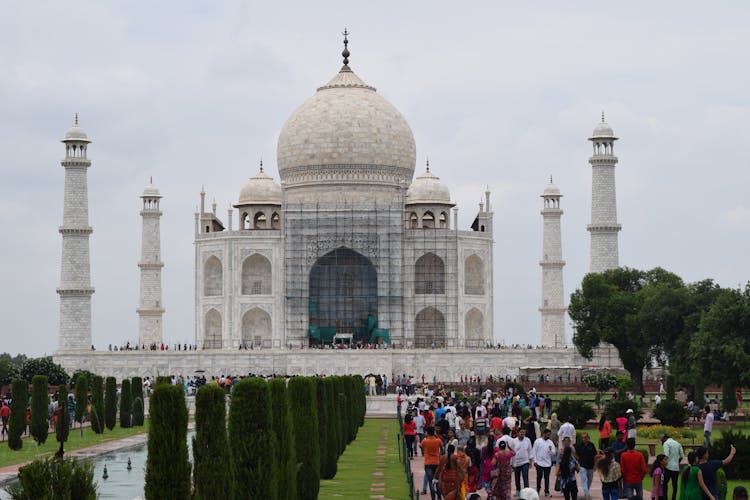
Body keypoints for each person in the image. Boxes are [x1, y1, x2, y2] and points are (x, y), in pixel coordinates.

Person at [531, 428, 556, 497]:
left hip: (548, 464)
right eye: (547, 434)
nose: (548, 436)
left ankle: (547, 491)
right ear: (543, 434)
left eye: (549, 435)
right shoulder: (537, 441)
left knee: (547, 478)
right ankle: (538, 490)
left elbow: (554, 453)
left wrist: (551, 450)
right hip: (539, 463)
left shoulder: (550, 442)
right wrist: (535, 461)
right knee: (539, 477)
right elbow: (534, 451)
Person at [420, 426, 442, 500]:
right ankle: (439, 496)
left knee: (430, 481)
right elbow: (442, 446)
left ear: (427, 433)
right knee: (437, 480)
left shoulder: (425, 441)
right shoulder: (438, 440)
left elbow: (420, 446)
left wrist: (425, 437)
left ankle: (433, 497)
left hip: (428, 463)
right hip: (436, 462)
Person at [661, 433, 685, 500]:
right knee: (675, 485)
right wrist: (677, 462)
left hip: (668, 467)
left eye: (661, 440)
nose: (661, 442)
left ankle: (665, 498)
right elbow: (682, 456)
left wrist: (663, 465)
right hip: (676, 468)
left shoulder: (666, 443)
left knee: (665, 483)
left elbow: (666, 455)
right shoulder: (677, 443)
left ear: (664, 438)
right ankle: (673, 498)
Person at [575, 432, 597, 500]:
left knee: (590, 480)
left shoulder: (591, 445)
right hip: (582, 465)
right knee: (584, 480)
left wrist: (595, 465)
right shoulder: (579, 446)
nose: (583, 439)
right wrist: (578, 462)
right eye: (582, 438)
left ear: (588, 438)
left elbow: (595, 455)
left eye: (585, 437)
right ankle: (587, 494)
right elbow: (576, 454)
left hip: (591, 465)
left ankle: (586, 491)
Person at [512, 428, 533, 495]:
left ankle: (526, 491)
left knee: (525, 476)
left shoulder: (528, 440)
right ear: (517, 433)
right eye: (521, 432)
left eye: (523, 432)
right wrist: (512, 463)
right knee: (517, 477)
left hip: (525, 462)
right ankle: (518, 490)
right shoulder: (514, 441)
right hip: (516, 462)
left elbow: (530, 450)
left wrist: (530, 461)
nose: (522, 434)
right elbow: (512, 452)